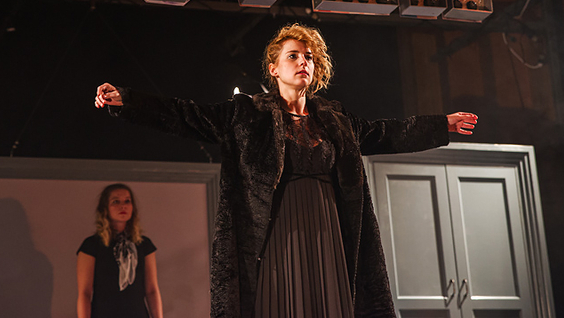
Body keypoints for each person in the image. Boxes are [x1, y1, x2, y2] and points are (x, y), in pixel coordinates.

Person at [95, 23, 477, 318]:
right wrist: (126, 101)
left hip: (329, 232)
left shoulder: (335, 118)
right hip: (275, 234)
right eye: (293, 56)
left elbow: (385, 133)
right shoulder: (247, 114)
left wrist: (441, 125)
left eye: (309, 57)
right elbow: (184, 114)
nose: (303, 62)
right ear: (274, 69)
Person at [77, 183, 163, 318]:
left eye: (127, 201)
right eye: (116, 202)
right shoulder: (92, 245)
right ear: (105, 208)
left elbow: (152, 290)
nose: (123, 206)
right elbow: (85, 293)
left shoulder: (144, 244)